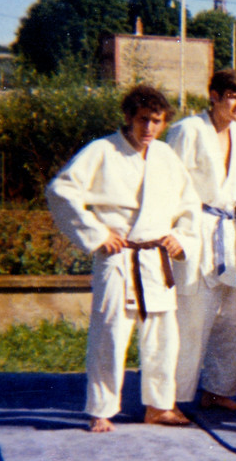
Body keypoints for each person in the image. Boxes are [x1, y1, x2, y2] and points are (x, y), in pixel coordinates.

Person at [46, 85, 199, 432]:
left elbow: (189, 205)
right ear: (128, 117)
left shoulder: (165, 156)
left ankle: (159, 406)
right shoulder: (101, 150)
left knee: (163, 337)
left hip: (155, 258)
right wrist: (98, 234)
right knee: (111, 335)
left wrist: (181, 237)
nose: (149, 129)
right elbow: (60, 190)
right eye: (143, 120)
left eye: (157, 122)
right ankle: (101, 408)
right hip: (118, 257)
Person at [167, 69, 236, 412]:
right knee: (192, 318)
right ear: (213, 95)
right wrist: (169, 232)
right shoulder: (188, 130)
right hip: (195, 229)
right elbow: (167, 183)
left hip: (229, 232)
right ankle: (170, 397)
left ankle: (218, 389)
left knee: (234, 319)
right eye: (232, 96)